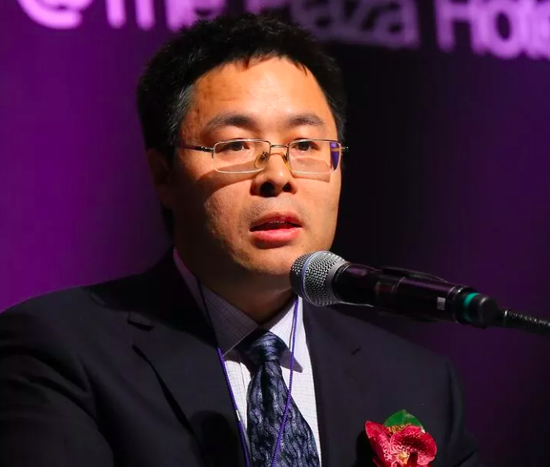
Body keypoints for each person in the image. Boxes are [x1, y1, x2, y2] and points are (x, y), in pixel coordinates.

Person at [0, 13, 481, 467]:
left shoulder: (418, 384)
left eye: (306, 145)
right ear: (164, 174)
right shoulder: (61, 351)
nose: (278, 175)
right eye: (235, 145)